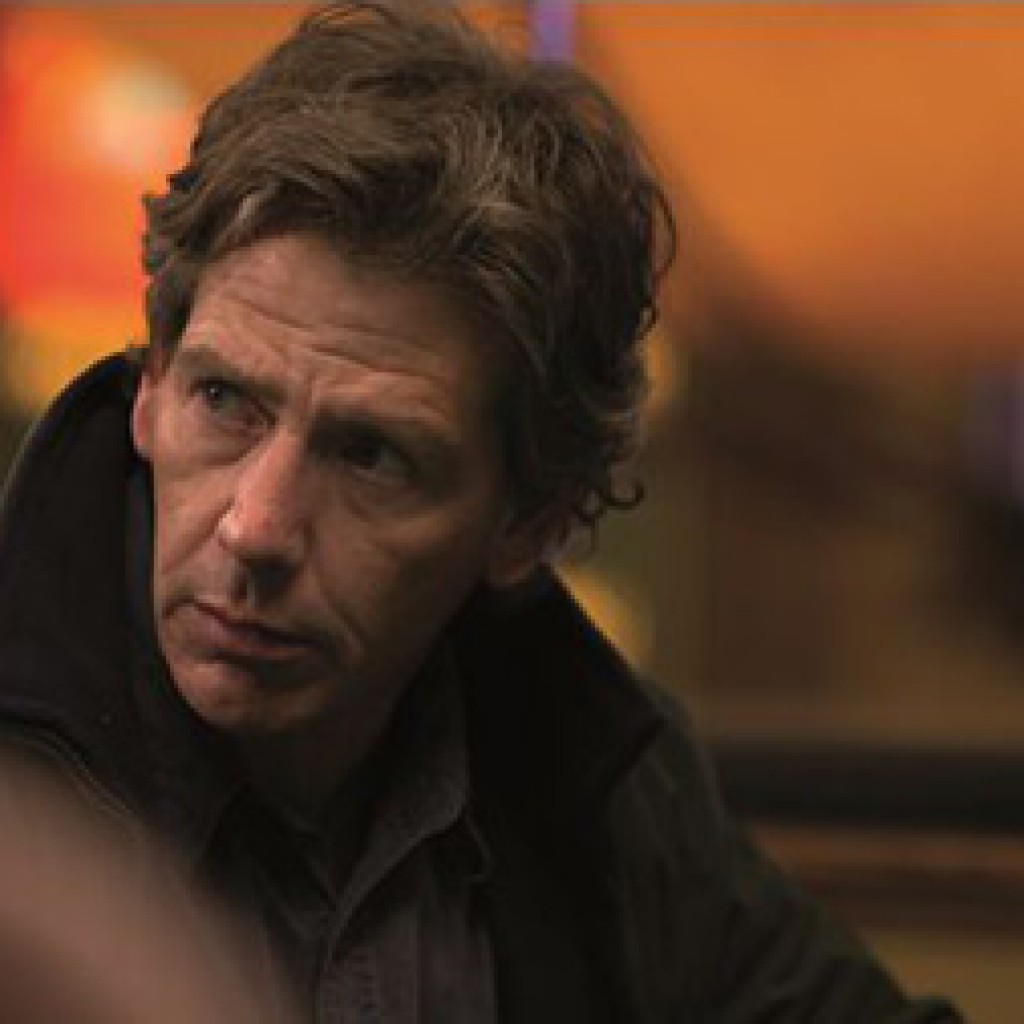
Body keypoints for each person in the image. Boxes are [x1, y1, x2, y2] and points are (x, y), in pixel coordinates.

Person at [0, 2, 960, 1021]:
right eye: (224, 400)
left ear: (529, 524)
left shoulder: (588, 784)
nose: (256, 529)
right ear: (150, 389)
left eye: (372, 456)